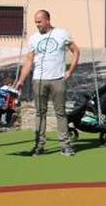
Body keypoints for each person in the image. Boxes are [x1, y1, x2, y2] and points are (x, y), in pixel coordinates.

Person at [13, 10, 80, 156]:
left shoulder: (62, 33)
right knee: (40, 113)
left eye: (39, 21)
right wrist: (21, 80)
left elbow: (75, 51)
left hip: (57, 80)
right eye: (35, 22)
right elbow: (29, 60)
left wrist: (70, 71)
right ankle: (39, 145)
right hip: (39, 80)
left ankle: (65, 145)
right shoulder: (34, 39)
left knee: (60, 113)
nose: (37, 25)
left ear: (47, 20)